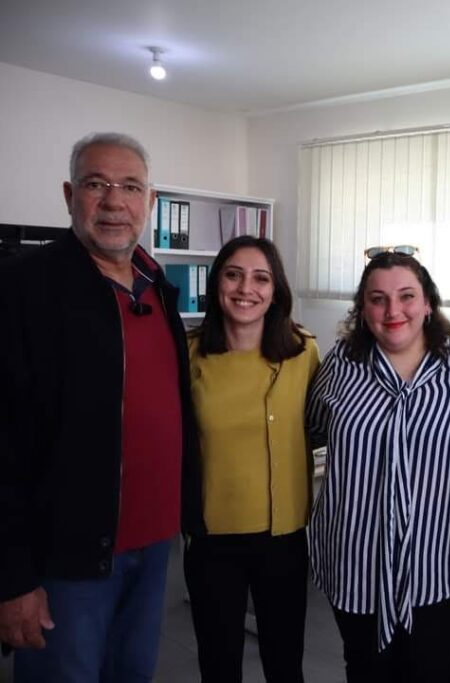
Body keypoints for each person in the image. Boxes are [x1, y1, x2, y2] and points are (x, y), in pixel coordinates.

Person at [0, 132, 203, 681]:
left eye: (130, 187)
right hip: (66, 557)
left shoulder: (156, 284)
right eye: (96, 184)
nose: (114, 201)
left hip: (155, 547)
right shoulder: (22, 289)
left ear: (150, 201)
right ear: (70, 195)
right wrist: (12, 578)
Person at [306, 251, 450, 683]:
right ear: (363, 309)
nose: (392, 310)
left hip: (439, 567)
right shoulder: (341, 364)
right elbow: (312, 427)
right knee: (366, 672)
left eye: (407, 296)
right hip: (355, 566)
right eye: (377, 299)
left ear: (428, 303)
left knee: (436, 672)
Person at [183, 236, 320, 682]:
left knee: (285, 664)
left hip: (283, 537)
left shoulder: (303, 351)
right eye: (233, 275)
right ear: (216, 283)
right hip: (212, 537)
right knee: (219, 664)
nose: (246, 289)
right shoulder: (188, 352)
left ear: (276, 291)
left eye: (261, 278)